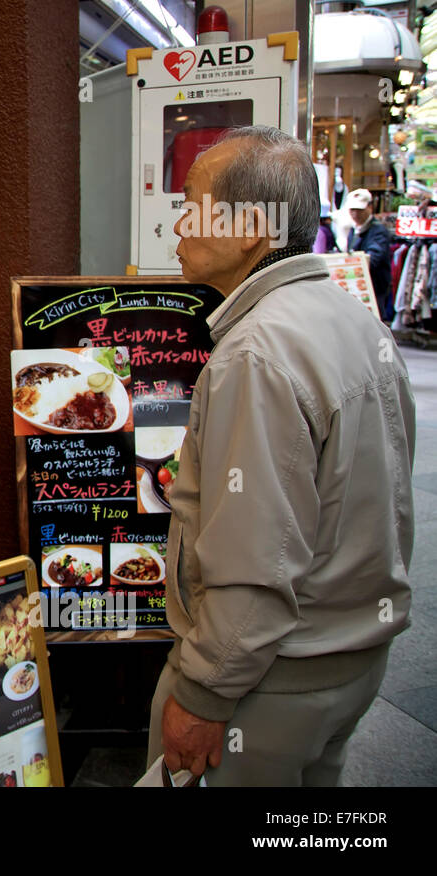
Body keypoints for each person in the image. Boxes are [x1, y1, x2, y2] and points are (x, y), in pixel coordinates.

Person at [149, 125, 416, 785]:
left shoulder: (256, 352)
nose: (178, 224)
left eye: (191, 203)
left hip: (267, 685)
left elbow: (254, 565)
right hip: (350, 664)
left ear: (249, 230)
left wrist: (203, 693)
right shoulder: (354, 318)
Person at [345, 188, 396, 322]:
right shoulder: (353, 230)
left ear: (370, 208)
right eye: (352, 210)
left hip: (374, 289)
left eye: (360, 210)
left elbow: (373, 259)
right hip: (356, 287)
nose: (355, 214)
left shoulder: (378, 231)